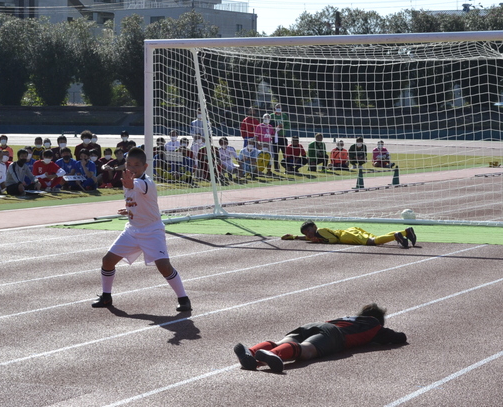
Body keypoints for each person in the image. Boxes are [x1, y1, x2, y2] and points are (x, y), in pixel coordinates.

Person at [91, 147, 191, 312]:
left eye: (137, 165)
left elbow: (137, 186)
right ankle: (106, 296)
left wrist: (130, 183)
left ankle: (184, 299)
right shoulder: (127, 181)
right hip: (132, 230)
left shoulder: (146, 182)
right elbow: (134, 198)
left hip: (152, 231)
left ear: (145, 167)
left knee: (164, 266)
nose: (132, 168)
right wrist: (130, 210)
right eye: (129, 164)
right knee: (107, 261)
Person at [233, 303, 406, 373]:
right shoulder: (375, 326)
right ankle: (275, 355)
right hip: (335, 334)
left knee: (285, 341)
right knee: (306, 350)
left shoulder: (347, 318)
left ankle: (252, 351)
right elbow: (399, 337)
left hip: (315, 324)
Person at [282, 220, 417, 249]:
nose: (309, 235)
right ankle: (404, 232)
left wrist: (320, 241)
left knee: (373, 242)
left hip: (346, 236)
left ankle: (397, 235)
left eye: (309, 231)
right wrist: (293, 237)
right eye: (306, 233)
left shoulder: (320, 231)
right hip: (351, 231)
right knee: (374, 239)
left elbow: (333, 240)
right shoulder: (315, 234)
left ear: (314, 227)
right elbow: (307, 238)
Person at [271, 104, 289, 172]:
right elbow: (270, 125)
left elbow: (288, 125)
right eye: (277, 107)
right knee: (275, 153)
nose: (278, 109)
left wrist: (282, 127)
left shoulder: (284, 116)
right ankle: (276, 168)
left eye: (279, 107)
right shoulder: (272, 115)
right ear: (275, 108)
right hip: (275, 138)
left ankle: (287, 167)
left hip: (283, 137)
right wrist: (275, 129)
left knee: (285, 153)